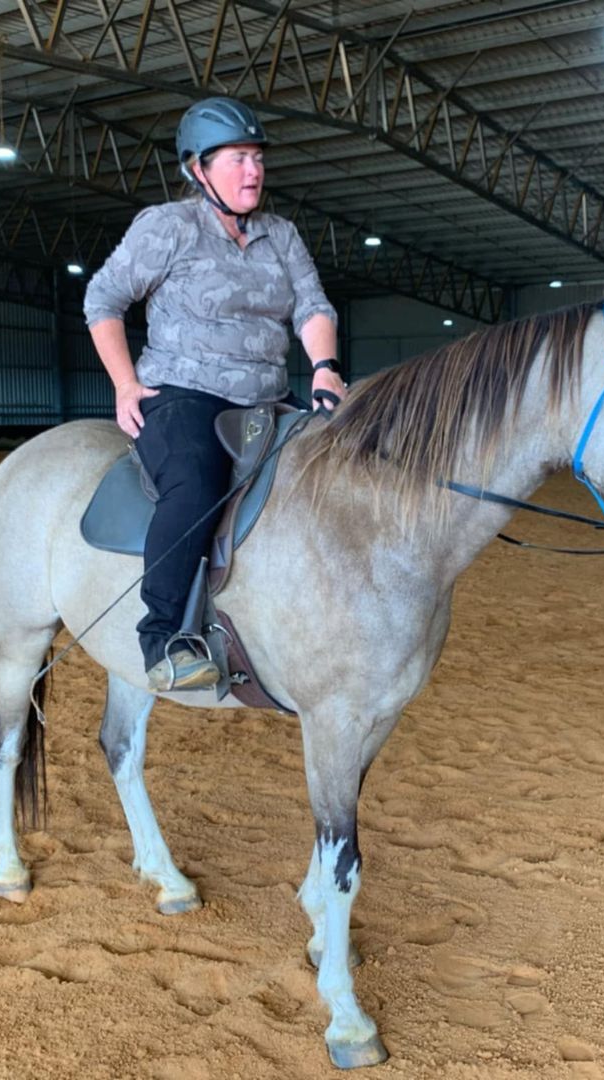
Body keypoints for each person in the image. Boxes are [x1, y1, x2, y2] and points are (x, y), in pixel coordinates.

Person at [84, 96, 346, 694]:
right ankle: (165, 638)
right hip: (184, 393)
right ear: (198, 168)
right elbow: (103, 301)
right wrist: (126, 383)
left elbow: (312, 306)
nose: (252, 170)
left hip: (268, 398)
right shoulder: (168, 228)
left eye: (257, 158)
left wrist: (325, 367)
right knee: (196, 483)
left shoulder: (280, 235)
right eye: (236, 159)